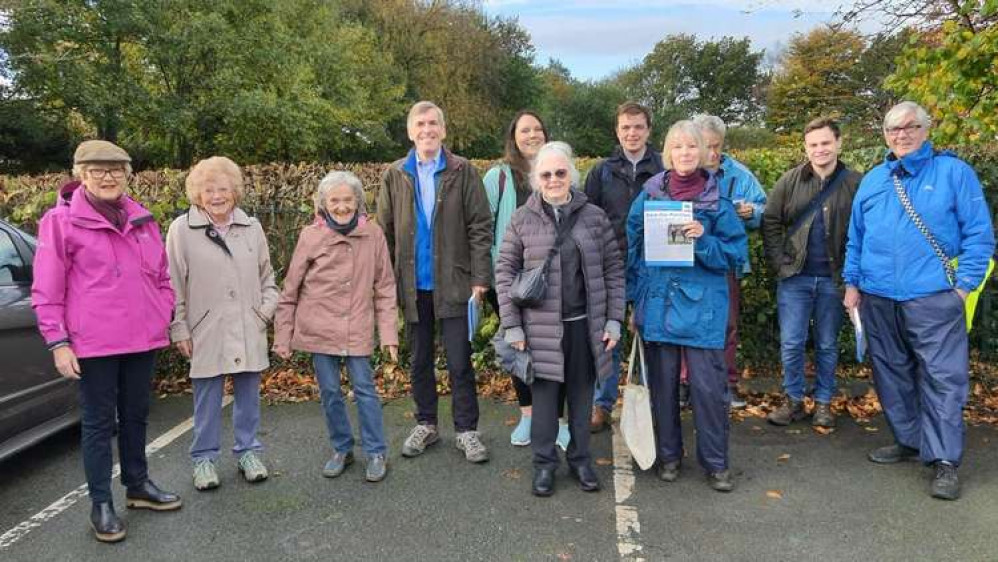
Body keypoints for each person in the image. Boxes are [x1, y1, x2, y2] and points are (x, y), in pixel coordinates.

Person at [843, 101, 995, 500]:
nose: (902, 134)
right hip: (877, 296)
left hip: (933, 298)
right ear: (884, 135)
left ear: (927, 129)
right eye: (893, 129)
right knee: (891, 372)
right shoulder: (874, 180)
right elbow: (856, 237)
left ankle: (944, 461)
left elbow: (980, 236)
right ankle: (911, 441)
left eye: (911, 126)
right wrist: (852, 283)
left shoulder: (954, 173)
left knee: (942, 378)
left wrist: (962, 288)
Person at [31, 140, 181, 543]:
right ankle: (101, 503)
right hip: (93, 344)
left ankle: (137, 485)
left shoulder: (143, 219)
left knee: (136, 416)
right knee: (99, 425)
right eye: (97, 170)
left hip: (142, 338)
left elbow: (162, 276)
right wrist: (58, 342)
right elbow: (46, 289)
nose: (108, 176)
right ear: (80, 174)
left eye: (116, 169)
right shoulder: (60, 222)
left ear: (128, 174)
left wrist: (163, 308)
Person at [495, 141, 625, 496]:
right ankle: (544, 465)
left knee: (582, 401)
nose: (554, 179)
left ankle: (581, 461)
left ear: (572, 175)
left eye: (560, 172)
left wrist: (614, 320)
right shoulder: (522, 219)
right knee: (545, 403)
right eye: (546, 174)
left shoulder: (594, 217)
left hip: (585, 325)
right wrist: (512, 325)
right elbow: (504, 273)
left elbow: (613, 270)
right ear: (537, 179)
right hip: (539, 330)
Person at [626, 121, 747, 492]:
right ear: (668, 152)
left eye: (691, 147)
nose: (684, 154)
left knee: (708, 391)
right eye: (677, 147)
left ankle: (716, 463)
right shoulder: (649, 196)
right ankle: (669, 456)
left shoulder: (718, 202)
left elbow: (736, 255)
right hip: (659, 305)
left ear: (705, 152)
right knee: (662, 389)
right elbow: (632, 249)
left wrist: (703, 239)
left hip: (703, 310)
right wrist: (635, 300)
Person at [376, 101, 493, 463]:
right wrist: (387, 285)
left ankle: (466, 431)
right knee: (420, 361)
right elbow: (384, 233)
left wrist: (480, 278)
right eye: (420, 124)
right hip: (413, 285)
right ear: (410, 132)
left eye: (433, 124)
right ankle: (426, 423)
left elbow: (479, 227)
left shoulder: (463, 171)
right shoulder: (395, 174)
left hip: (455, 283)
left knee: (459, 361)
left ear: (443, 130)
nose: (427, 129)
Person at [274, 171, 398, 482]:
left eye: (347, 200)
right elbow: (290, 289)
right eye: (334, 200)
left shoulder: (373, 234)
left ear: (358, 201)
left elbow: (384, 286)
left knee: (365, 390)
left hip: (357, 324)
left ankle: (376, 451)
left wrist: (389, 335)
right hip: (318, 328)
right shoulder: (310, 236)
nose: (342, 206)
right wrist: (283, 336)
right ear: (323, 204)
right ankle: (342, 448)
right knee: (330, 392)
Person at [166, 156, 278, 491]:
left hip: (247, 325)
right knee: (207, 399)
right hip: (205, 328)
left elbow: (268, 279)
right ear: (197, 194)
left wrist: (264, 312)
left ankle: (248, 451)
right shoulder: (181, 230)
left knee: (248, 397)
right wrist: (179, 327)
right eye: (209, 190)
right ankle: (203, 459)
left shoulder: (252, 227)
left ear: (235, 192)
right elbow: (172, 284)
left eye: (224, 189)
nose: (217, 196)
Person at [761, 118, 861, 428]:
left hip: (835, 278)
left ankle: (823, 404)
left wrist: (853, 278)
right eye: (814, 144)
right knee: (791, 342)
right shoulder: (789, 181)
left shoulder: (856, 183)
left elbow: (867, 230)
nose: (820, 149)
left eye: (826, 143)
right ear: (806, 148)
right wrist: (780, 262)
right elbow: (770, 221)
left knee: (828, 343)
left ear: (838, 143)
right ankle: (793, 402)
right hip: (796, 277)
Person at [483, 110, 570, 450]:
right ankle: (529, 416)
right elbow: (482, 229)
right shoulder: (498, 177)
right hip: (511, 282)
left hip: (555, 282)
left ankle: (559, 421)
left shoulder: (558, 172)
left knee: (556, 350)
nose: (532, 135)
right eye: (524, 130)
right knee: (517, 347)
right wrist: (492, 277)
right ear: (513, 137)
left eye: (537, 128)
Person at [583, 101, 664, 432]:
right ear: (617, 131)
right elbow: (586, 219)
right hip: (610, 266)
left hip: (652, 266)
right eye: (625, 127)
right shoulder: (601, 171)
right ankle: (601, 404)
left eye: (638, 126)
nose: (632, 133)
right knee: (608, 338)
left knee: (649, 336)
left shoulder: (664, 168)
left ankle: (646, 405)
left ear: (648, 129)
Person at [691, 114, 768, 409]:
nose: (712, 153)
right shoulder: (685, 171)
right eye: (706, 146)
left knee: (727, 326)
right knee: (691, 324)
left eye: (717, 146)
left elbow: (763, 207)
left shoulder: (739, 174)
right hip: (693, 262)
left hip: (726, 263)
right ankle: (689, 385)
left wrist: (753, 212)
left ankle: (727, 384)